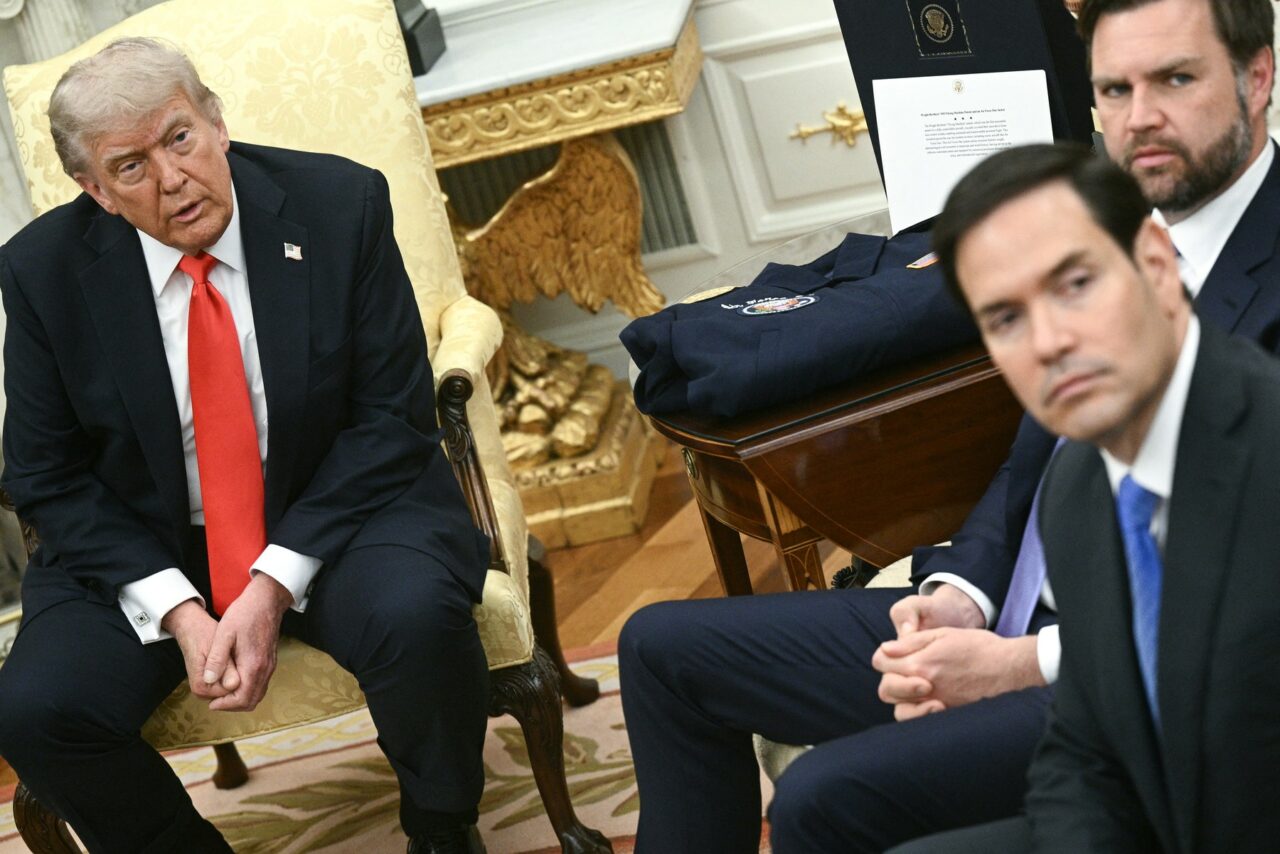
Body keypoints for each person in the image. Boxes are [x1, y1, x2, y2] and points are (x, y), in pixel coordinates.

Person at [618, 0, 1280, 850]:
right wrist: (959, 597)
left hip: (1149, 679)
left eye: (1176, 80)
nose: (1139, 117)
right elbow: (1036, 464)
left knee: (819, 799)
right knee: (662, 649)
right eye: (1115, 90)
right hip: (1017, 613)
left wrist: (1018, 665)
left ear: (1257, 78)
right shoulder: (1101, 226)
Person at [0, 38, 490, 854]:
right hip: (151, 540)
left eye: (179, 138)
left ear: (217, 124)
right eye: (130, 166)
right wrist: (178, 610)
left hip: (335, 508)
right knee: (36, 708)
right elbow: (45, 472)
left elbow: (390, 418)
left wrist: (271, 583)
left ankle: (442, 831)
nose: (172, 178)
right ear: (95, 190)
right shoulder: (42, 271)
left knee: (415, 616)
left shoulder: (340, 207)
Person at [892, 142, 1280, 854]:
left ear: (1157, 266)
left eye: (1074, 284)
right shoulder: (1075, 490)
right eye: (1005, 319)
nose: (1047, 342)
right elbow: (1083, 750)